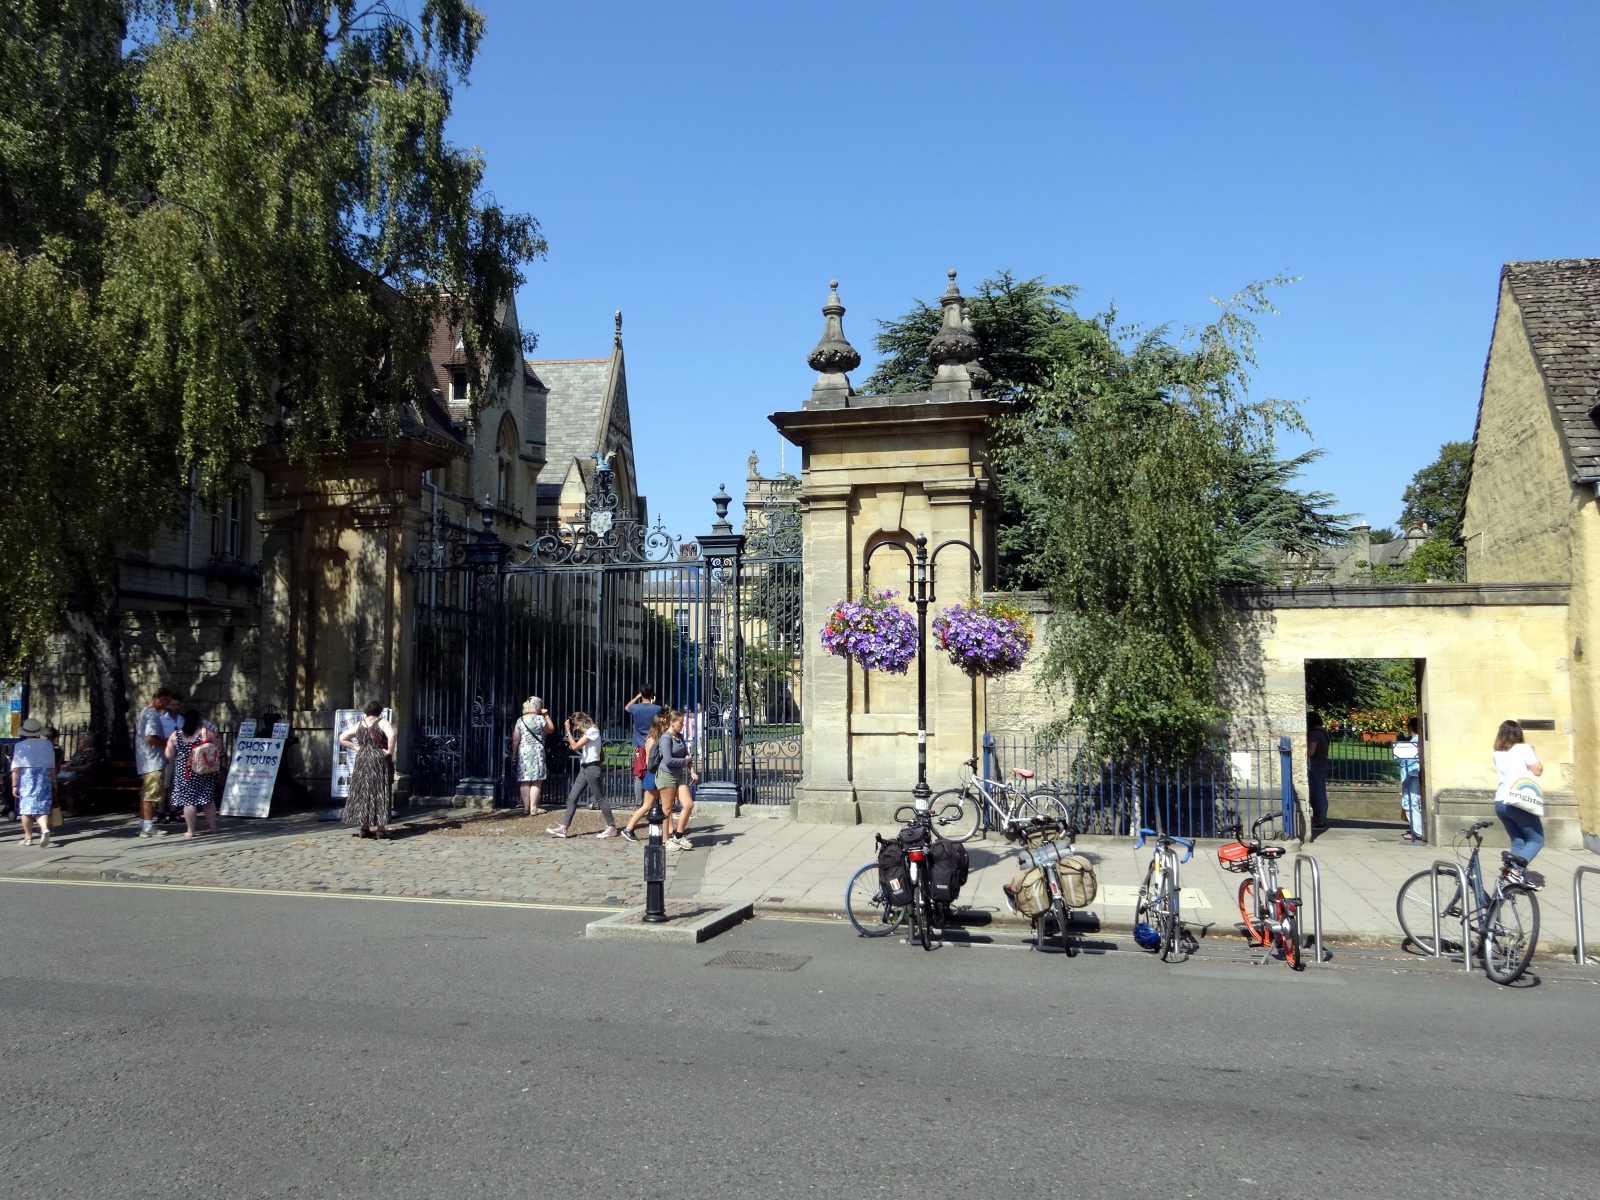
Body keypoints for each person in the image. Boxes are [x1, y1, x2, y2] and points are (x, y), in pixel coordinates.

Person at [548, 712, 617, 839]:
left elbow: (574, 746)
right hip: (585, 768)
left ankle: (611, 826)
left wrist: (568, 731)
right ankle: (564, 827)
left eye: (576, 727)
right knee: (572, 797)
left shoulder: (592, 731)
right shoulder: (588, 733)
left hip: (592, 767)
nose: (576, 729)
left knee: (600, 798)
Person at [1493, 719, 1544, 880]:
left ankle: (1511, 875)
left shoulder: (1497, 753)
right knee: (1536, 839)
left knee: (1518, 841)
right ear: (1518, 734)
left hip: (1500, 801)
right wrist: (1532, 752)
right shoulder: (1523, 748)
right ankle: (1515, 871)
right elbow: (1538, 770)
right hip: (1518, 800)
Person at [340, 701, 396, 839]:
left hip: (362, 759)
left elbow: (343, 737)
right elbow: (392, 735)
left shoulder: (360, 724)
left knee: (363, 791)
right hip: (378, 758)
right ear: (379, 710)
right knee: (379, 790)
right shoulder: (382, 722)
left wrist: (358, 748)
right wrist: (389, 752)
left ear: (365, 711)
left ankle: (364, 828)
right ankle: (380, 830)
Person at [165, 709, 220, 837]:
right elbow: (218, 747)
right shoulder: (206, 733)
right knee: (207, 800)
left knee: (188, 801)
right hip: (203, 771)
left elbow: (169, 754)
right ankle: (213, 827)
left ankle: (190, 830)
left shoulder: (176, 735)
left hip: (185, 773)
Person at [620, 711, 671, 842]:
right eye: (664, 726)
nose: (666, 728)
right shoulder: (653, 740)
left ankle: (669, 831)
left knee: (667, 804)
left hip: (658, 774)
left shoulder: (657, 738)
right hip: (653, 774)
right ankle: (628, 828)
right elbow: (649, 761)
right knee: (647, 805)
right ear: (658, 725)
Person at [134, 688, 177, 837]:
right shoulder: (152, 715)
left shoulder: (145, 712)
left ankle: (143, 823)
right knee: (151, 794)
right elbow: (150, 737)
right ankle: (148, 826)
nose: (167, 705)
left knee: (146, 793)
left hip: (147, 760)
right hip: (153, 760)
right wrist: (167, 742)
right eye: (166, 701)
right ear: (159, 699)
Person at [655, 710, 701, 851]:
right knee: (667, 808)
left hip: (679, 775)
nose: (682, 725)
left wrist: (691, 771)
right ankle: (665, 840)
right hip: (666, 774)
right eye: (680, 723)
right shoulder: (665, 738)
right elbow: (668, 760)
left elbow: (688, 757)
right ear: (672, 723)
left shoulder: (679, 737)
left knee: (688, 804)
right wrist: (684, 761)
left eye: (683, 723)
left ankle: (679, 836)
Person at [10, 717, 56, 846]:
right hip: (44, 776)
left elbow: (16, 768)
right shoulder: (47, 744)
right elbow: (51, 765)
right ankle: (44, 828)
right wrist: (54, 782)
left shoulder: (20, 746)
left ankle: (28, 837)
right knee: (42, 807)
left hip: (27, 777)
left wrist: (14, 785)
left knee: (26, 808)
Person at [512, 696, 552, 815]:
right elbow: (550, 729)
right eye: (540, 705)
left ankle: (526, 807)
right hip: (536, 750)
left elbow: (515, 739)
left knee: (524, 780)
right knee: (536, 780)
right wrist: (547, 716)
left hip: (524, 750)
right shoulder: (540, 719)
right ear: (537, 706)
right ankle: (533, 808)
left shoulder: (520, 720)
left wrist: (514, 754)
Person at [624, 688, 662, 807]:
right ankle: (652, 801)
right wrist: (653, 703)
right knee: (653, 772)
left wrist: (637, 696)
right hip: (654, 744)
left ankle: (638, 803)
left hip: (640, 745)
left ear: (642, 694)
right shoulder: (657, 708)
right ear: (652, 695)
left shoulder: (636, 708)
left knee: (638, 775)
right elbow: (658, 720)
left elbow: (627, 707)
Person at [55, 733, 99, 816]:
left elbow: (88, 767)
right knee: (55, 782)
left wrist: (72, 768)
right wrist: (65, 766)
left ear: (88, 741)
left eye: (81, 739)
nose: (78, 741)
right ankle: (58, 809)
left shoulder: (93, 753)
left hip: (85, 776)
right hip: (72, 774)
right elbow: (71, 762)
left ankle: (71, 810)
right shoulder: (79, 752)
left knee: (68, 784)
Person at [1396, 717, 1424, 843]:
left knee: (1411, 804)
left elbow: (1403, 761)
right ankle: (1419, 830)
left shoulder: (1413, 742)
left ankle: (1418, 832)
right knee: (1418, 803)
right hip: (1417, 776)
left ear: (1410, 728)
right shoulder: (1422, 742)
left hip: (1411, 777)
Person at [1306, 713, 1330, 833]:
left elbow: (1310, 752)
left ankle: (1321, 821)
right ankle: (1319, 818)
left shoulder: (1314, 734)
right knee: (1319, 793)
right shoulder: (1324, 732)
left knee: (1318, 794)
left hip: (1316, 766)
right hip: (1322, 765)